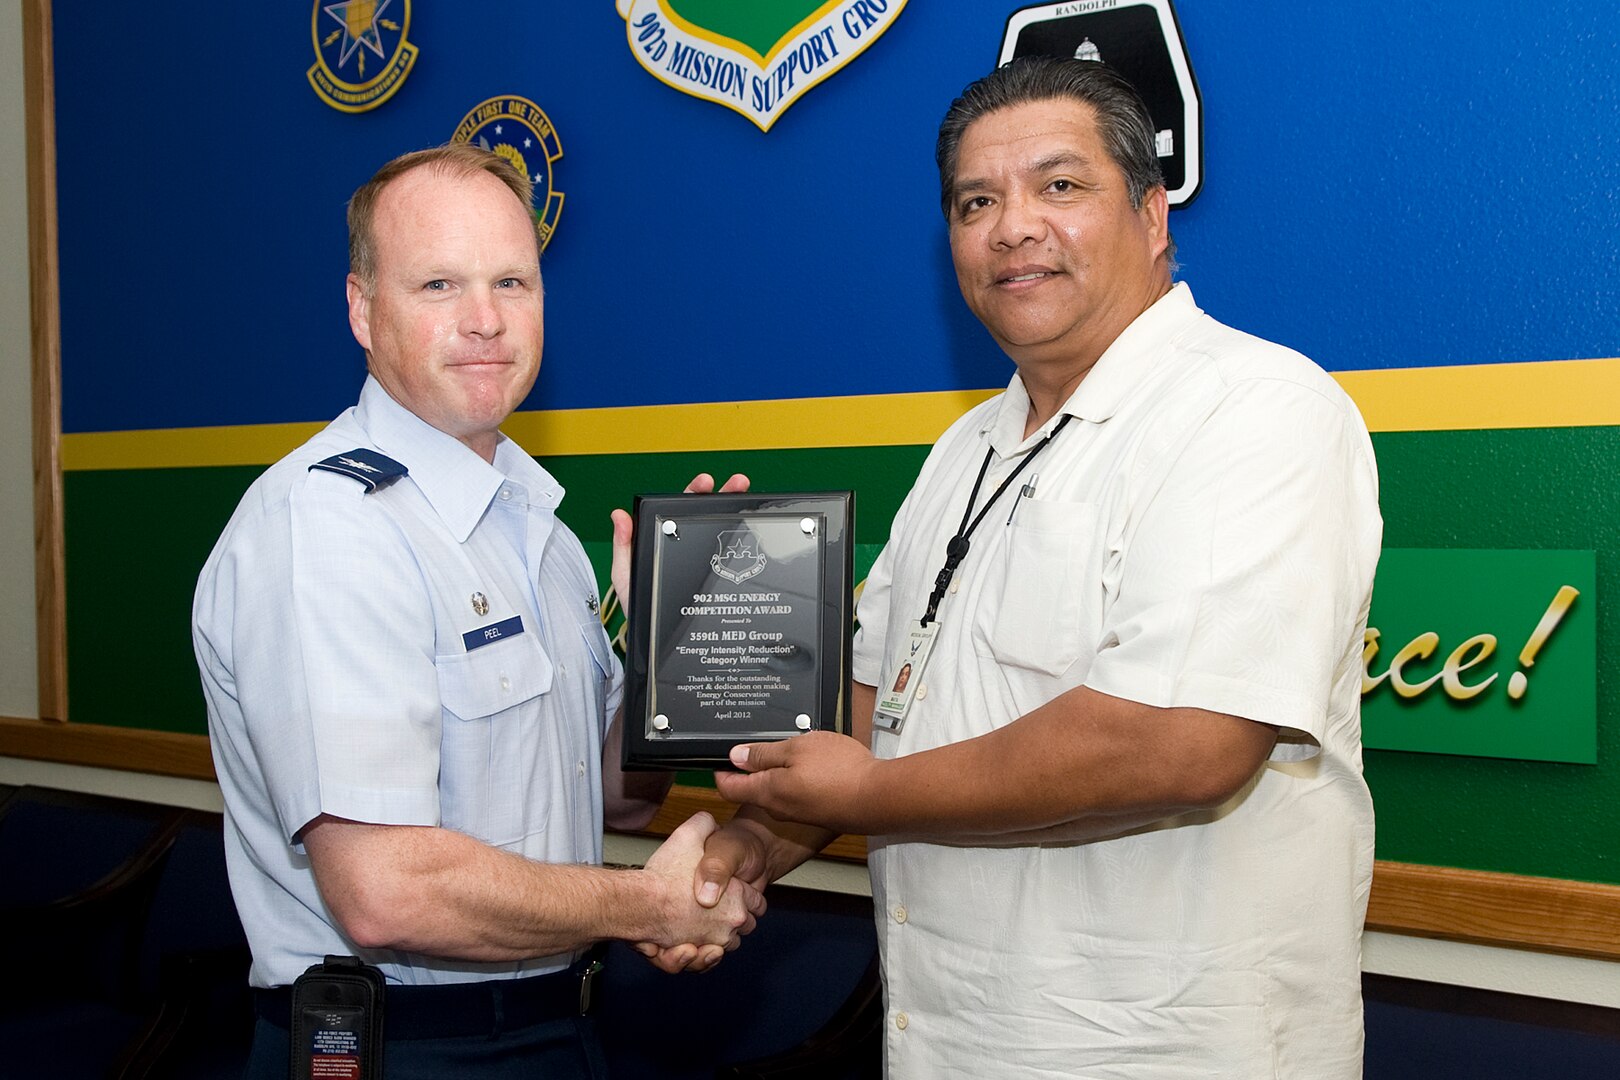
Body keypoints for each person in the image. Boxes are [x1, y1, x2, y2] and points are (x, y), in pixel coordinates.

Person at [683, 56, 1382, 1077]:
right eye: (977, 202)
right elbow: (875, 710)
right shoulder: (963, 451)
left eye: (1061, 186)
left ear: (1152, 217)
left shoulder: (1259, 409)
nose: (1013, 226)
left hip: (1168, 1052)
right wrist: (740, 854)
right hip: (946, 1047)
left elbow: (1180, 744)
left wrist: (866, 793)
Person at [192, 144, 762, 1078]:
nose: (487, 320)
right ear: (362, 310)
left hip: (559, 1029)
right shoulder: (329, 528)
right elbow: (384, 894)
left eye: (513, 280)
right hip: (406, 1049)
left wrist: (674, 654)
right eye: (439, 286)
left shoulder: (536, 527)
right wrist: (646, 907)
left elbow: (619, 799)